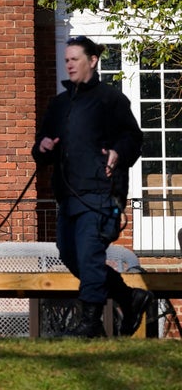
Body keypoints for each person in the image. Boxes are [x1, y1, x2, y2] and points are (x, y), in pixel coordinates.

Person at [32, 35, 151, 337]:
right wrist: (42, 147)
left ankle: (90, 324)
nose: (69, 64)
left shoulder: (110, 100)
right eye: (67, 59)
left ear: (92, 61)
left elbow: (132, 139)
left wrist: (116, 152)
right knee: (71, 256)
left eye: (75, 58)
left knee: (89, 256)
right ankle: (129, 297)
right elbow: (40, 148)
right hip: (68, 197)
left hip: (101, 194)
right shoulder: (58, 105)